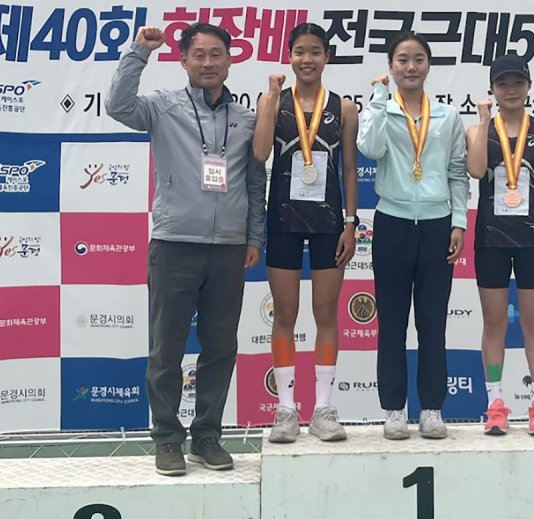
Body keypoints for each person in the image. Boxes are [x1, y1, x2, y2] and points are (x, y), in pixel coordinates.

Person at [106, 23, 266, 475]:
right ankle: (167, 439)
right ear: (183, 61)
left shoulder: (245, 119)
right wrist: (139, 51)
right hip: (174, 244)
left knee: (220, 348)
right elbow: (118, 105)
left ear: (230, 61)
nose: (208, 63)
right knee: (166, 350)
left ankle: (207, 436)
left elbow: (256, 182)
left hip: (228, 249)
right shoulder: (163, 107)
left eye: (216, 54)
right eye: (199, 55)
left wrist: (254, 237)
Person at [357, 33, 469, 440]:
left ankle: (432, 409)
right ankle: (393, 409)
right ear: (391, 66)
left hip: (438, 225)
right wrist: (377, 100)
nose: (410, 67)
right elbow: (370, 149)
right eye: (402, 59)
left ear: (428, 66)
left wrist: (459, 221)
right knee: (391, 322)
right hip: (393, 223)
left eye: (418, 59)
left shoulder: (447, 116)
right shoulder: (381, 109)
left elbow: (457, 171)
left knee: (432, 322)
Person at [252, 23, 358, 443]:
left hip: (329, 223)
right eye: (299, 51)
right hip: (282, 221)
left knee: (326, 314)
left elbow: (349, 168)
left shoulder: (343, 108)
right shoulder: (272, 100)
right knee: (285, 314)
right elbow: (260, 152)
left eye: (315, 51)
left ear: (326, 56)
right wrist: (271, 98)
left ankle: (323, 409)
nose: (307, 59)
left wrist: (351, 222)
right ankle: (285, 410)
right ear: (289, 56)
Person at [465, 54, 534, 436]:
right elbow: (475, 170)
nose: (510, 90)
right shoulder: (478, 131)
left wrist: (530, 213)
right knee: (494, 324)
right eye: (503, 84)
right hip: (490, 241)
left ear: (528, 86)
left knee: (533, 324)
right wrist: (484, 121)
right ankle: (495, 403)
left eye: (517, 83)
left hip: (532, 241)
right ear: (492, 88)